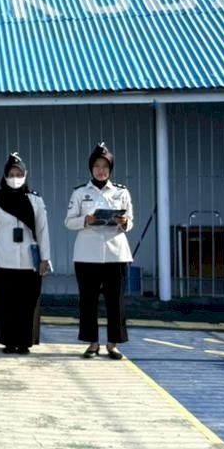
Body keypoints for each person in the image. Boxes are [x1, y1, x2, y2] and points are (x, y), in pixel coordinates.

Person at [64, 142, 134, 360]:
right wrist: (86, 219)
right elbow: (68, 222)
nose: (101, 170)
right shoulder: (80, 193)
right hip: (87, 255)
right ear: (90, 169)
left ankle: (113, 344)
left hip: (116, 254)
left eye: (105, 166)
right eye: (96, 166)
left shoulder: (121, 192)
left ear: (110, 169)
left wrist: (125, 222)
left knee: (116, 301)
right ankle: (92, 343)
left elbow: (131, 221)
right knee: (88, 300)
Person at [0, 152, 52, 354]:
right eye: (11, 173)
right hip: (3, 259)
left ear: (25, 175)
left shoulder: (35, 199)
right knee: (6, 304)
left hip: (30, 260)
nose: (15, 177)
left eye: (18, 173)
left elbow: (43, 230)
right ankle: (8, 341)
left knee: (28, 303)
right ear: (5, 175)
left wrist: (45, 258)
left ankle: (25, 342)